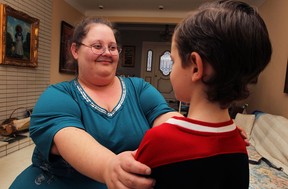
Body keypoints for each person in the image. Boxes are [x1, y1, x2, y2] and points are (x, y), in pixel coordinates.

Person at [10, 17, 180, 189]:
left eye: (113, 47)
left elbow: (166, 117)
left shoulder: (139, 88)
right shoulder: (58, 96)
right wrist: (111, 168)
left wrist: (187, 132)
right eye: (97, 46)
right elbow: (70, 140)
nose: (107, 52)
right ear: (75, 50)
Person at [135, 0, 272, 188]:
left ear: (195, 67)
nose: (172, 69)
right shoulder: (239, 143)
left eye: (173, 61)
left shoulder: (158, 140)